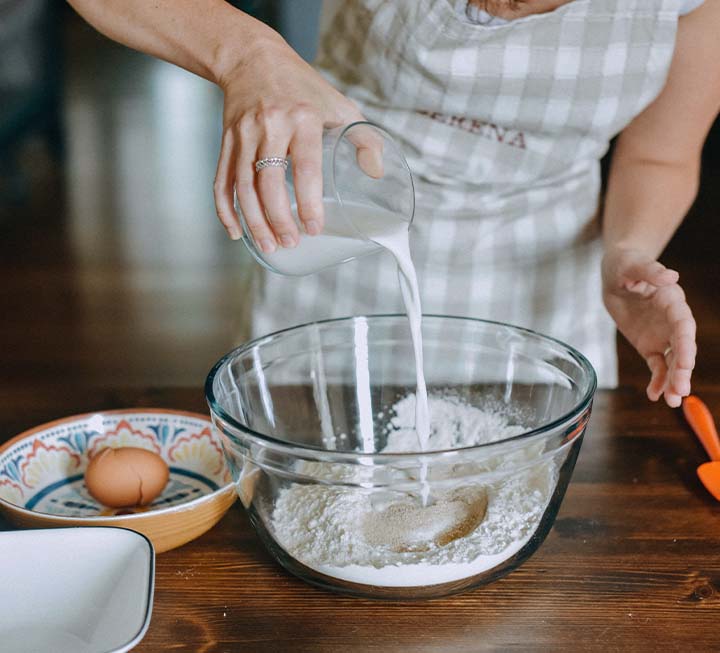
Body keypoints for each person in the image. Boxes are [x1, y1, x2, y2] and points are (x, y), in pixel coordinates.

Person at [68, 0, 719, 407]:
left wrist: (628, 250)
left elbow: (660, 154)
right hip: (339, 225)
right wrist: (246, 53)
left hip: (542, 280)